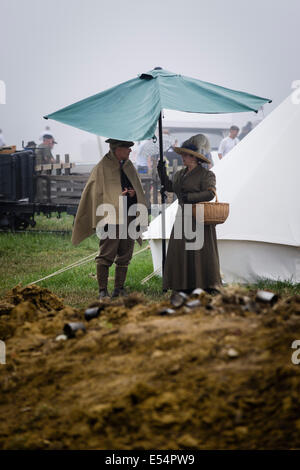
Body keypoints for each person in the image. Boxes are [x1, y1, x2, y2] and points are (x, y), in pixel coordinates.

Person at [72, 138, 147, 299]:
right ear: (117, 149)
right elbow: (97, 193)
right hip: (110, 217)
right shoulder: (102, 167)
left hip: (129, 215)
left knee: (126, 254)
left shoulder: (128, 165)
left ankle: (119, 289)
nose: (130, 151)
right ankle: (102, 290)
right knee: (106, 254)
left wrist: (132, 194)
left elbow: (136, 188)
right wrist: (116, 197)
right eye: (127, 148)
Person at [157, 138, 222, 294]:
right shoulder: (180, 174)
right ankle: (182, 285)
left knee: (201, 251)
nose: (183, 158)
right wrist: (162, 173)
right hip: (182, 215)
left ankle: (207, 285)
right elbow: (171, 187)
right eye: (183, 155)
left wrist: (190, 198)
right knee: (180, 250)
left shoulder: (206, 174)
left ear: (194, 157)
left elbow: (210, 193)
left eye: (186, 155)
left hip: (200, 216)